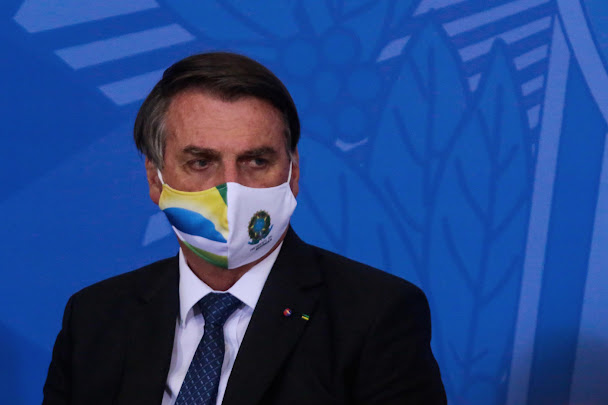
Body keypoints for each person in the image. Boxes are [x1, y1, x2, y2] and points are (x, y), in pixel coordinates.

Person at [43, 52, 446, 405]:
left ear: (292, 173)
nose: (230, 188)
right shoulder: (95, 318)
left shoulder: (376, 315)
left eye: (256, 161)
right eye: (201, 162)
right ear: (155, 178)